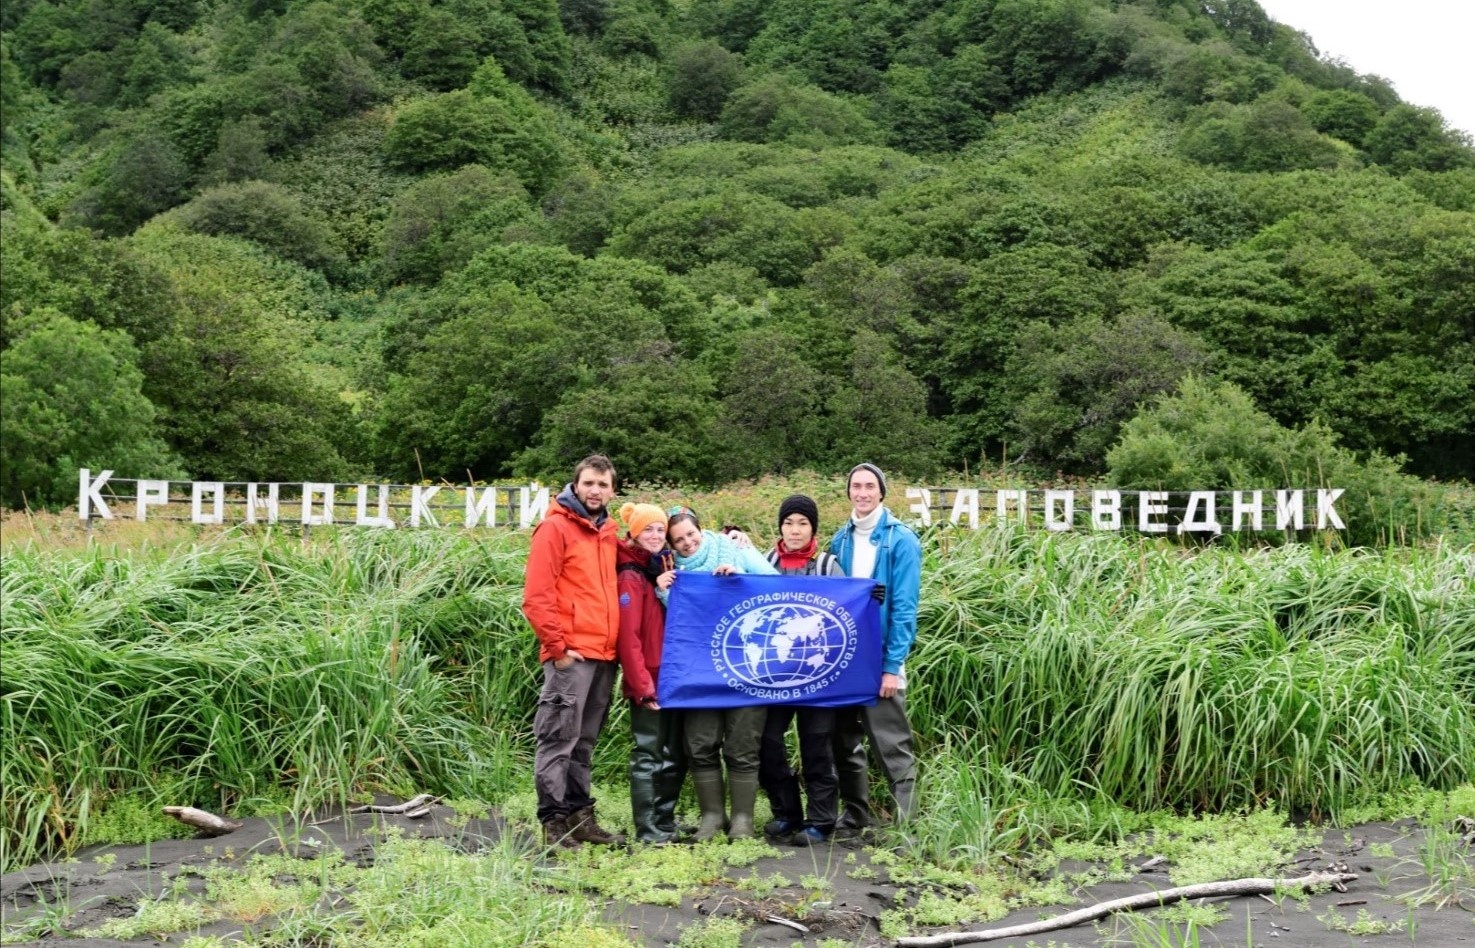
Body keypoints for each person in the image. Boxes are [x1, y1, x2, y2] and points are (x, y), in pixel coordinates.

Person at [522, 454, 625, 849]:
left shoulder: (607, 533)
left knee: (584, 741)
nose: (595, 491)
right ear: (575, 485)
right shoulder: (555, 528)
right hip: (571, 655)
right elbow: (536, 596)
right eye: (589, 484)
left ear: (612, 490)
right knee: (558, 738)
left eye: (603, 485)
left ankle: (581, 816)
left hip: (603, 654)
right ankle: (553, 821)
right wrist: (558, 648)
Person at [664, 506, 778, 840]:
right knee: (701, 743)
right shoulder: (671, 569)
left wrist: (740, 577)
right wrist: (663, 587)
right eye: (679, 540)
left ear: (702, 529)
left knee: (744, 743)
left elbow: (774, 583)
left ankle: (742, 819)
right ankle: (712, 816)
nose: (687, 543)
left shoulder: (733, 547)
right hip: (698, 671)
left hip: (745, 665)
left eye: (691, 534)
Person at [828, 463, 922, 834]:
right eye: (856, 486)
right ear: (849, 491)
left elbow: (905, 607)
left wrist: (891, 665)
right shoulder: (841, 539)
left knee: (892, 744)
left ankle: (908, 825)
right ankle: (855, 817)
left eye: (870, 486)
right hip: (846, 660)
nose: (862, 493)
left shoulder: (901, 540)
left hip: (880, 660)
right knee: (846, 743)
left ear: (882, 492)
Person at [759, 494, 845, 846]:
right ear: (780, 526)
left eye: (803, 523)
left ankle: (821, 820)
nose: (795, 530)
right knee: (766, 742)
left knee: (817, 743)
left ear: (813, 528)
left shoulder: (828, 565)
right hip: (772, 674)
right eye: (788, 522)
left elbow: (845, 612)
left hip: (817, 674)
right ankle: (786, 812)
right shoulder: (763, 562)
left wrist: (869, 598)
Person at [615, 501, 684, 844]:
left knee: (671, 752)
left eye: (660, 529)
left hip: (669, 675)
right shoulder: (631, 575)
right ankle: (646, 828)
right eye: (648, 530)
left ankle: (664, 820)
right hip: (648, 678)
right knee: (648, 753)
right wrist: (642, 686)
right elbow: (628, 638)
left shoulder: (657, 568)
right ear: (633, 533)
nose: (656, 536)